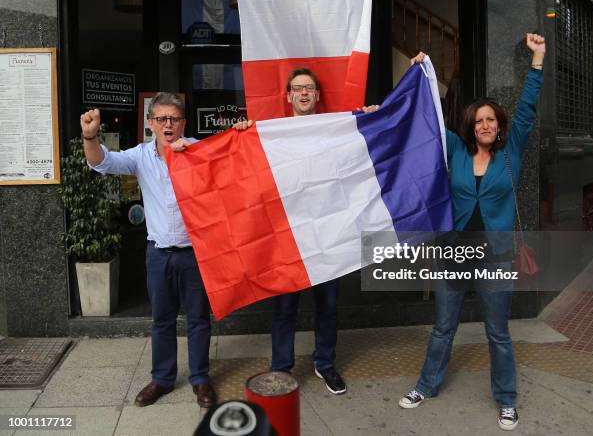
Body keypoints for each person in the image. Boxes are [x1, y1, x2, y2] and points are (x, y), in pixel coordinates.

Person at [233, 56, 425, 394]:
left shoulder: (336, 130)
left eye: (309, 88)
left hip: (328, 235)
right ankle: (281, 368)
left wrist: (372, 119)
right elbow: (241, 170)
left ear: (317, 95)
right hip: (287, 238)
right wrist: (241, 136)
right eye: (298, 88)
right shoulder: (269, 134)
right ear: (287, 96)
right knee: (284, 310)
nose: (304, 93)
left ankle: (324, 363)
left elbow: (365, 152)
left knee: (329, 307)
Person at [398, 33, 546, 431]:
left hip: (496, 257)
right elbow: (425, 116)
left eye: (490, 120)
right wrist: (420, 74)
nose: (484, 124)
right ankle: (426, 386)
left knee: (497, 333)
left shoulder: (510, 152)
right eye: (478, 120)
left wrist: (537, 61)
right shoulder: (455, 150)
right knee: (443, 327)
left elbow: (528, 108)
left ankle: (507, 400)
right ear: (471, 125)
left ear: (499, 128)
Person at [80, 93, 216, 409]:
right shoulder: (140, 156)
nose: (168, 124)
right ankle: (163, 379)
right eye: (162, 119)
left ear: (183, 123)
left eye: (175, 119)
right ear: (151, 123)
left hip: (196, 252)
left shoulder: (199, 149)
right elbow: (101, 162)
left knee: (198, 319)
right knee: (162, 320)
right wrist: (90, 135)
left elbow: (232, 164)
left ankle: (200, 379)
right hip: (158, 253)